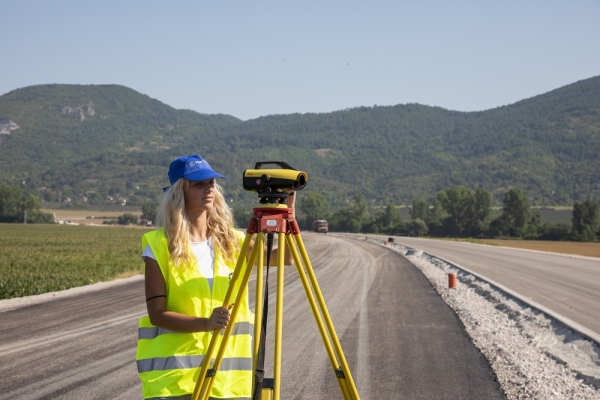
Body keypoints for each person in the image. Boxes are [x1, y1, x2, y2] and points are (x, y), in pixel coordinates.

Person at [136, 154, 295, 400]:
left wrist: (288, 212)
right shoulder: (158, 245)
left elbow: (284, 258)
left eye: (211, 183)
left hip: (228, 380)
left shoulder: (233, 241)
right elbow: (157, 313)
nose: (208, 189)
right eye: (198, 184)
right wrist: (205, 324)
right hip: (177, 381)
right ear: (179, 191)